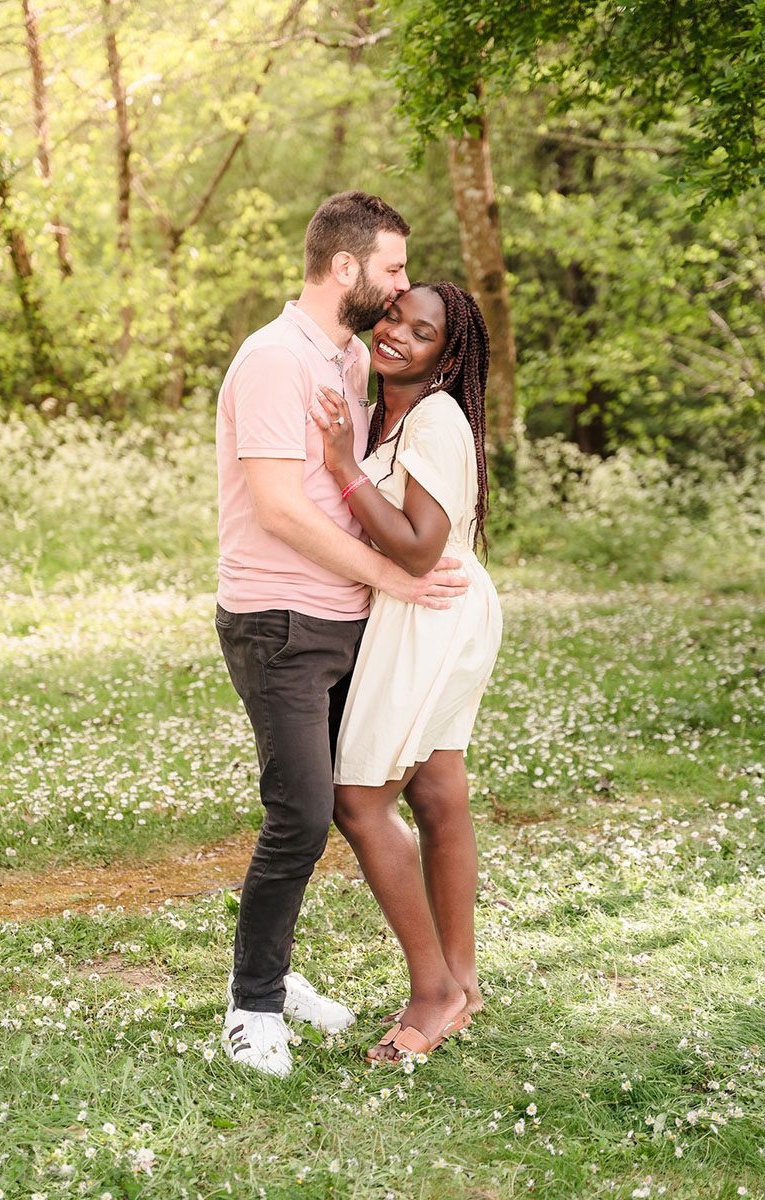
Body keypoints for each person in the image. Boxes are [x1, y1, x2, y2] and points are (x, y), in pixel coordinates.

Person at [214, 193, 470, 1077]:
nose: (402, 285)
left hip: (347, 617)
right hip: (280, 619)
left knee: (346, 805)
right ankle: (253, 1007)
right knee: (301, 815)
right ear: (348, 267)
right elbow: (282, 511)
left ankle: (282, 979)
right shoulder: (274, 361)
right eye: (394, 269)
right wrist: (397, 576)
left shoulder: (350, 354)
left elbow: (352, 480)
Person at [311, 281, 502, 1063]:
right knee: (435, 787)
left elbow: (421, 546)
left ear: (447, 354)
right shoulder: (392, 409)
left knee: (359, 800)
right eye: (393, 315)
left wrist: (339, 466)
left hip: (433, 607)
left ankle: (436, 992)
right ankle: (462, 982)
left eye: (420, 332)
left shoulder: (435, 416)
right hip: (434, 609)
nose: (396, 334)